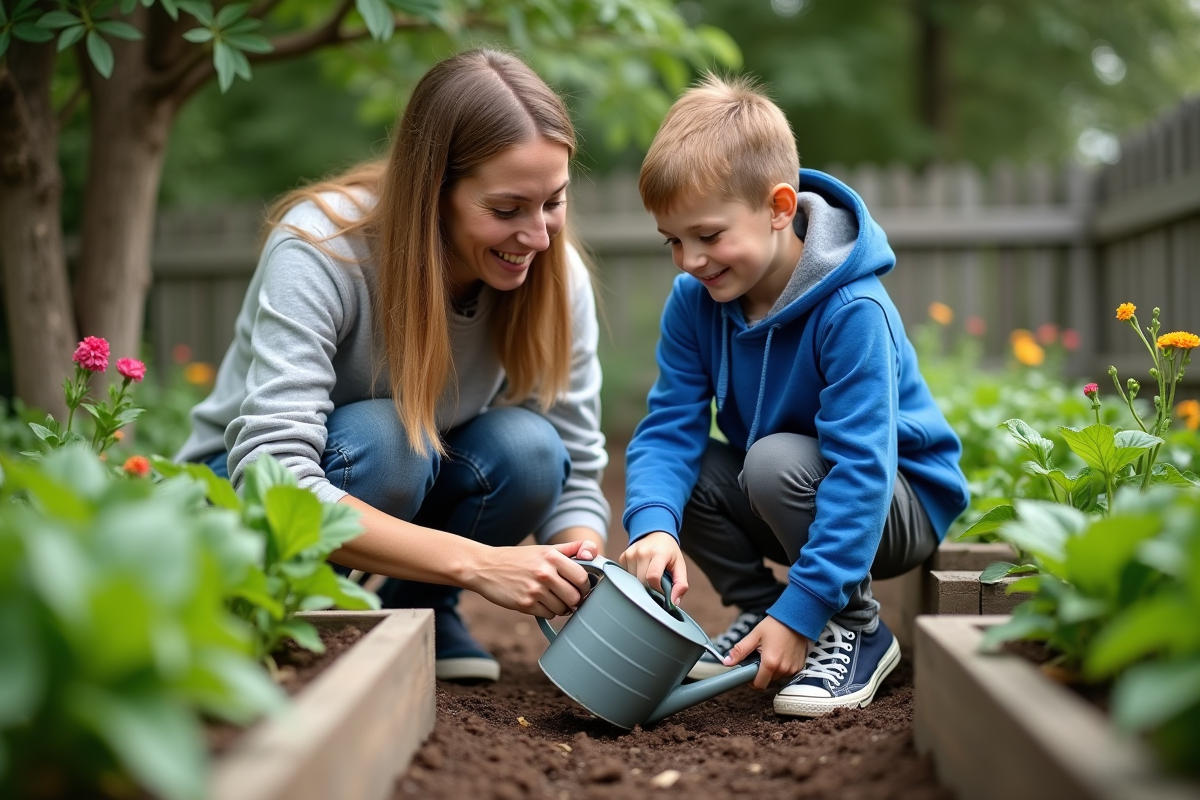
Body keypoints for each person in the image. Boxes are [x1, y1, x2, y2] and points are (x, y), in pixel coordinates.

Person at [176, 49, 610, 684]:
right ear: (434, 190)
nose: (539, 237)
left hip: (399, 467)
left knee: (530, 450)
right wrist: (479, 563)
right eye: (507, 208)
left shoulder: (553, 272)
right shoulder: (320, 248)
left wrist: (587, 567)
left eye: (554, 201)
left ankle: (419, 611)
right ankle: (291, 615)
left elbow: (574, 460)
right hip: (244, 493)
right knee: (390, 439)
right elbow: (272, 476)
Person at [619, 75, 969, 717]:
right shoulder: (695, 304)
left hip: (897, 500)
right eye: (673, 241)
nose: (688, 260)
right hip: (790, 491)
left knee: (774, 460)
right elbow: (670, 424)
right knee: (687, 471)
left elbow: (863, 469)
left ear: (780, 207)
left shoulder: (851, 309)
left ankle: (856, 627)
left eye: (708, 235)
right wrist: (653, 528)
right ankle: (760, 610)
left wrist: (805, 607)